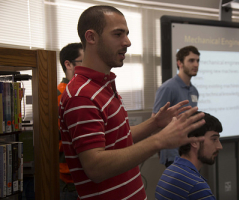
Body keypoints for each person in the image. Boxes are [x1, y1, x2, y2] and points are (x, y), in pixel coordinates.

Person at [58, 5, 206, 200]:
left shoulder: (103, 86)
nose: (127, 42)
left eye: (126, 34)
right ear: (91, 37)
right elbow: (96, 167)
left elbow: (118, 138)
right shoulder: (82, 95)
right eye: (118, 34)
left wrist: (154, 124)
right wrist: (159, 140)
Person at [155, 112, 223, 200]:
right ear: (194, 141)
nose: (220, 146)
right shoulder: (196, 186)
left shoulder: (169, 172)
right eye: (214, 139)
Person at [152, 45, 200, 167]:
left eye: (197, 60)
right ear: (180, 63)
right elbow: (155, 121)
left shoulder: (194, 90)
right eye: (191, 60)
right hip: (173, 152)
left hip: (190, 151)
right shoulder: (168, 88)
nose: (196, 64)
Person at [57, 42, 83, 200]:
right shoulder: (62, 94)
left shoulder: (78, 91)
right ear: (68, 64)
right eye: (83, 62)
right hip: (70, 180)